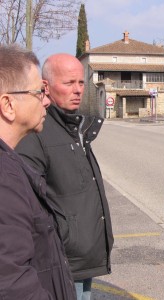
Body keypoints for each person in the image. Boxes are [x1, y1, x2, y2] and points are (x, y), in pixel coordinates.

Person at [16, 53, 114, 300]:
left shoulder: (75, 126)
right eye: (69, 83)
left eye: (81, 83)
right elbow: (27, 204)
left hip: (82, 256)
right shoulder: (36, 129)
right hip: (61, 260)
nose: (78, 90)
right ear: (45, 86)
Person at [0, 44, 76, 299]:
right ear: (8, 105)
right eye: (38, 92)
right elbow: (11, 283)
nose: (46, 99)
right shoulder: (4, 180)